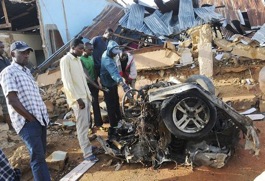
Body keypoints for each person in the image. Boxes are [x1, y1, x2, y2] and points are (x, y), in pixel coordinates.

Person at [0, 41, 51, 180]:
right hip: (27, 123)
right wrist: (30, 118)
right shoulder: (8, 72)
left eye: (27, 52)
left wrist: (41, 116)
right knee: (38, 159)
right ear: (12, 54)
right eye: (22, 52)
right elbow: (12, 100)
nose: (26, 55)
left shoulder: (27, 71)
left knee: (41, 157)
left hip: (39, 120)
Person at [60, 38, 99, 162]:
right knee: (82, 127)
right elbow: (67, 83)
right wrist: (78, 99)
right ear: (73, 47)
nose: (82, 51)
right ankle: (87, 154)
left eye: (83, 49)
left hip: (85, 96)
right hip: (79, 100)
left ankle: (88, 147)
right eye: (80, 49)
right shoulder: (66, 60)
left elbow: (83, 79)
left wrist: (88, 95)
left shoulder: (77, 60)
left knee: (86, 124)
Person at [100, 40, 131, 140]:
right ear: (110, 50)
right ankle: (113, 127)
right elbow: (114, 73)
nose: (115, 55)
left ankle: (119, 120)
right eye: (114, 53)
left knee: (116, 102)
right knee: (111, 105)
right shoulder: (107, 60)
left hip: (112, 83)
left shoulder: (109, 54)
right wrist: (123, 84)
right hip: (107, 84)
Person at [80, 42, 105, 131]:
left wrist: (98, 82)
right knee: (87, 105)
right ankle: (89, 125)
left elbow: (95, 71)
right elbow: (87, 75)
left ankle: (98, 123)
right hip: (86, 85)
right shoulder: (80, 60)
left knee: (95, 103)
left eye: (92, 50)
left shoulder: (91, 57)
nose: (92, 51)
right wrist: (97, 86)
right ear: (84, 50)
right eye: (90, 50)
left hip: (94, 82)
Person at [0, 41, 13, 131]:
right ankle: (10, 127)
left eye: (3, 47)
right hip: (1, 87)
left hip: (8, 84)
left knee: (10, 105)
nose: (3, 49)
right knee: (5, 107)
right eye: (1, 47)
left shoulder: (5, 59)